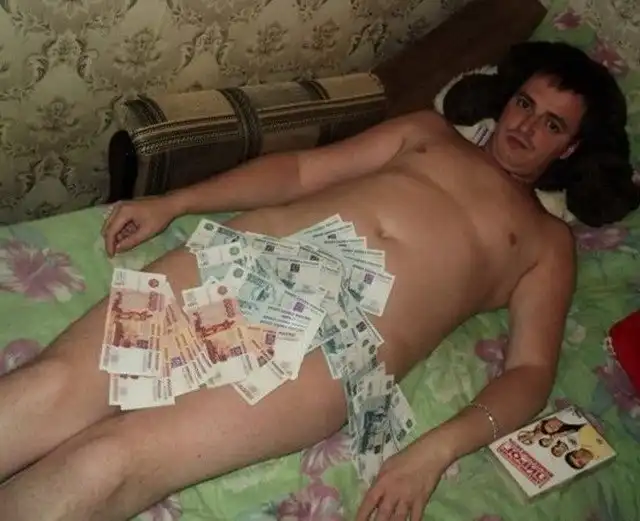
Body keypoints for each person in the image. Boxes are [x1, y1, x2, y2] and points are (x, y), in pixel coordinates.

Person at [0, 43, 623, 521]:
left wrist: (433, 453)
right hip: (245, 262)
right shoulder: (427, 133)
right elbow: (301, 171)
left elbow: (530, 372)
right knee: (49, 386)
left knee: (110, 462)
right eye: (525, 104)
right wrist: (177, 201)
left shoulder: (547, 240)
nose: (526, 127)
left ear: (570, 149)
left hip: (327, 362)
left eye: (553, 125)